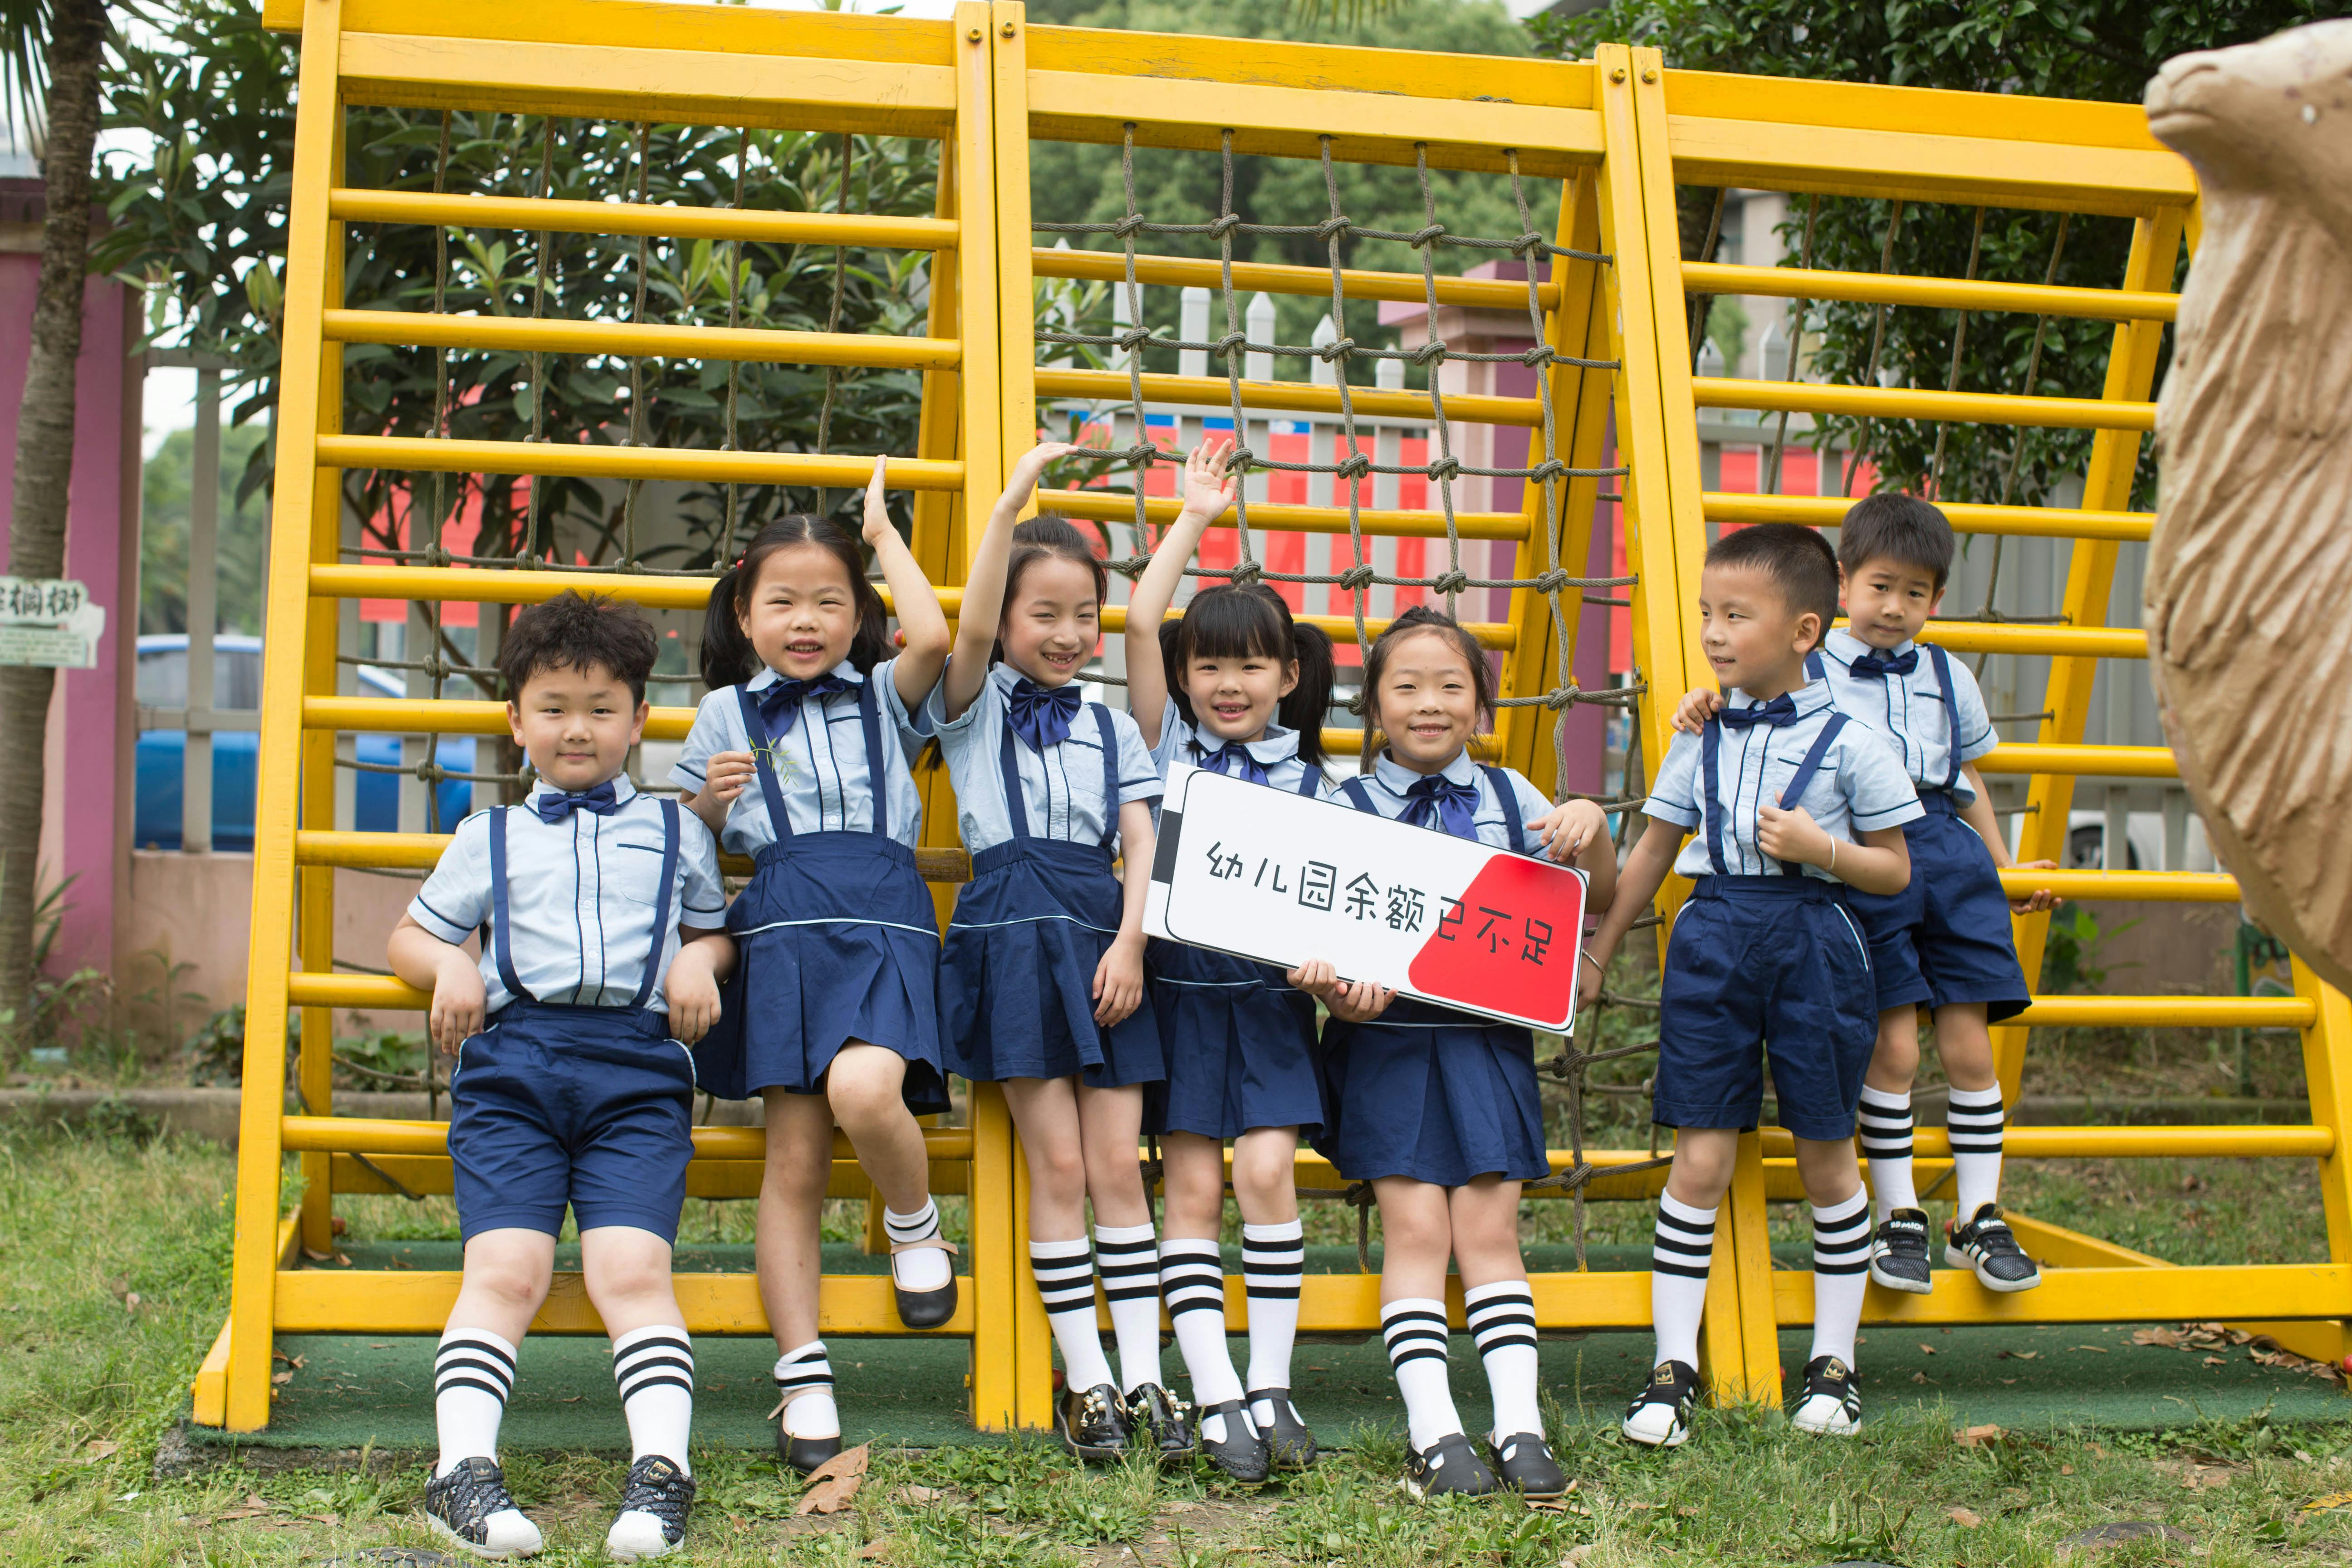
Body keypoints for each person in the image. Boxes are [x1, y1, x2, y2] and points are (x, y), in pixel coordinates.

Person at [388, 591, 732, 1562]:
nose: (576, 728)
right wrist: (452, 964)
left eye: (600, 706)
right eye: (553, 706)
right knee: (507, 1270)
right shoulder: (490, 836)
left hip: (635, 1072)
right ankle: (459, 1471)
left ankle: (662, 1475)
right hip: (515, 1073)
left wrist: (700, 964)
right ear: (516, 720)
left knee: (634, 1270)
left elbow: (711, 933)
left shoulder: (679, 834)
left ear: (639, 719)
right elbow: (410, 935)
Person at [1666, 495, 2057, 1296]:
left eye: (1916, 593)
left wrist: (2000, 862)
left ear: (1937, 601)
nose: (1895, 607)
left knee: (1970, 1041)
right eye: (1881, 586)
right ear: (1842, 587)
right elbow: (1750, 715)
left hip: (1945, 847)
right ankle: (1901, 1212)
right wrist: (1702, 700)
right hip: (1856, 852)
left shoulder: (1950, 673)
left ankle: (1979, 1215)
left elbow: (1970, 775)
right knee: (1892, 1045)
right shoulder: (1806, 664)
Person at [1583, 522, 1921, 1449]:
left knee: (1825, 1152)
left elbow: (1895, 871)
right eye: (1707, 614)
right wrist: (1601, 950)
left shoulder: (1856, 743)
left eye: (1738, 615)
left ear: (1805, 630)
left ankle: (1835, 1366)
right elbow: (1654, 846)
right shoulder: (1701, 731)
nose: (1715, 633)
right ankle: (1671, 1369)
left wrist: (1826, 852)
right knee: (1698, 1159)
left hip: (1817, 941)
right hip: (1714, 939)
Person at [672, 458, 955, 1474]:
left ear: (857, 616)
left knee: (865, 1088)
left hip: (882, 920)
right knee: (790, 1164)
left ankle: (917, 1223)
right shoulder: (721, 716)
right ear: (744, 615)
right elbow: (689, 853)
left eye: (829, 602)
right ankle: (803, 1377)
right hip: (782, 929)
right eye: (781, 601)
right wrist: (707, 805)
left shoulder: (887, 696)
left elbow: (935, 637)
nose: (806, 620)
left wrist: (883, 536)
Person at [1294, 605, 1615, 1500]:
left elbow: (1602, 892)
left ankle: (1521, 1427)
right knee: (1418, 1231)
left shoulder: (1519, 798)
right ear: (1374, 705)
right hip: (1388, 1049)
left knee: (1489, 1233)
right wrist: (1332, 989)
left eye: (1451, 686)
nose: (1428, 703)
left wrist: (1595, 821)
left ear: (1482, 704)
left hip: (1486, 1049)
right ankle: (1435, 1437)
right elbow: (1314, 933)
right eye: (1406, 686)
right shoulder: (1341, 807)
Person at [929, 441, 1182, 1464]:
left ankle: (1152, 1382)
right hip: (1012, 934)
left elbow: (1140, 843)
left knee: (1121, 1164)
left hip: (1105, 932)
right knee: (1063, 1165)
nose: (1071, 634)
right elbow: (977, 621)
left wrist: (1131, 943)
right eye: (1048, 615)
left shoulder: (1115, 726)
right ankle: (1089, 1385)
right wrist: (1010, 499)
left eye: (1085, 616)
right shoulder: (971, 701)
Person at [1122, 439, 1338, 1482]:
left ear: (1289, 676)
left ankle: (1272, 1385)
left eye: (1252, 663)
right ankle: (1216, 1401)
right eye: (1208, 663)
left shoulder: (1321, 790)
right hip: (1178, 1000)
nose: (1228, 681)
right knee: (1194, 1197)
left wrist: (1329, 968)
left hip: (1268, 1007)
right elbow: (1135, 623)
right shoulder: (1164, 752)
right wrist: (1194, 521)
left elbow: (1350, 915)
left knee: (1267, 1176)